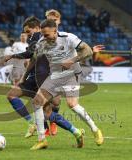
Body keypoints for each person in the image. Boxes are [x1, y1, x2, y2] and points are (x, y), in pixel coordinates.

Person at [2, 16, 85, 148]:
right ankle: (73, 131)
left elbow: (29, 54)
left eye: (29, 32)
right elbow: (33, 60)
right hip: (36, 78)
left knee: (47, 111)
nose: (28, 36)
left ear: (37, 28)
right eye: (26, 33)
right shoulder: (39, 40)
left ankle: (72, 131)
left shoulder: (40, 38)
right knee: (41, 110)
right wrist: (25, 76)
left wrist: (12, 56)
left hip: (43, 79)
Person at [30, 19, 104, 150]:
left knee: (72, 104)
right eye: (43, 34)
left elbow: (87, 51)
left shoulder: (68, 38)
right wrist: (25, 73)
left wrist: (72, 60)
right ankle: (42, 140)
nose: (44, 37)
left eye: (47, 34)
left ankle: (95, 129)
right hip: (55, 76)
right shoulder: (41, 43)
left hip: (71, 74)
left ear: (55, 31)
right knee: (37, 102)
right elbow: (34, 57)